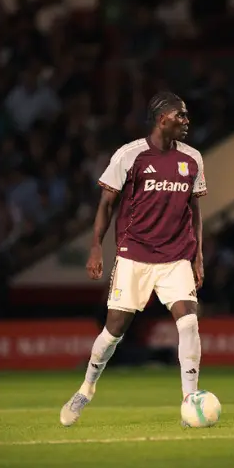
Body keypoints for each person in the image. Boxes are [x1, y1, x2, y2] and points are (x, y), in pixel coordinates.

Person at [60, 91, 207, 426]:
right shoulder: (130, 155)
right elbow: (106, 204)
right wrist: (96, 246)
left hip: (175, 256)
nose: (186, 121)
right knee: (114, 330)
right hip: (134, 255)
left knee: (188, 322)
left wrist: (197, 255)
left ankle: (190, 400)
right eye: (180, 115)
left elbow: (195, 210)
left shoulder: (192, 158)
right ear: (162, 118)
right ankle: (86, 389)